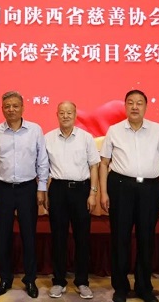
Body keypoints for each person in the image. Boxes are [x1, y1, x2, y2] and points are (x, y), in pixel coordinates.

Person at [99, 90, 159, 302]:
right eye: (130, 102)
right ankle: (121, 287)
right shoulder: (114, 130)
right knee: (120, 238)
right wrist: (103, 192)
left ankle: (144, 287)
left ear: (146, 107)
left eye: (139, 103)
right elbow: (104, 163)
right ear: (125, 106)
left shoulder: (156, 130)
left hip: (150, 189)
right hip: (121, 187)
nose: (134, 107)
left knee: (146, 238)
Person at [0, 91, 50, 299]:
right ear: (2, 109)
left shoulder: (35, 130)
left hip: (27, 189)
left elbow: (42, 161)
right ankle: (5, 278)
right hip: (3, 189)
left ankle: (30, 279)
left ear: (23, 108)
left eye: (15, 105)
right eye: (7, 106)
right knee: (3, 236)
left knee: (29, 236)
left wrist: (41, 188)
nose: (11, 109)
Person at [44, 101, 100, 299]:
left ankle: (82, 281)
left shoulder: (86, 138)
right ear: (57, 115)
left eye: (69, 112)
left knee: (82, 238)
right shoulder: (48, 138)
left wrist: (93, 193)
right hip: (57, 190)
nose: (66, 116)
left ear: (75, 115)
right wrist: (45, 193)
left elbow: (94, 166)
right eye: (62, 112)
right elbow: (44, 169)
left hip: (81, 190)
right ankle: (59, 281)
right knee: (58, 238)